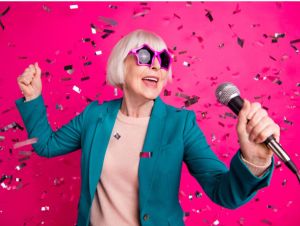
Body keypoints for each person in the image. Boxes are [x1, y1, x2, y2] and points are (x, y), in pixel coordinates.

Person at [16, 29, 279, 226]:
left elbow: (224, 193)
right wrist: (33, 98)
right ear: (122, 64)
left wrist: (253, 162)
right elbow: (46, 146)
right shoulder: (94, 116)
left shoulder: (180, 124)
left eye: (163, 60)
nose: (156, 65)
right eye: (144, 56)